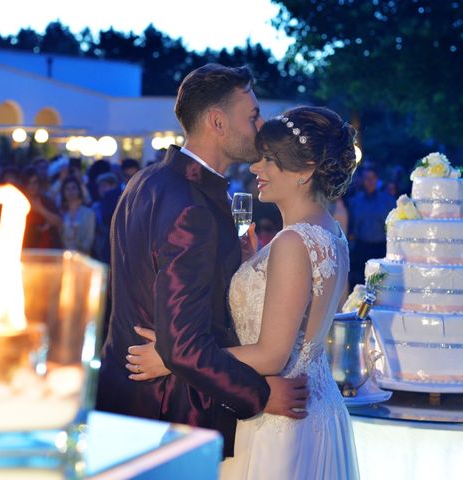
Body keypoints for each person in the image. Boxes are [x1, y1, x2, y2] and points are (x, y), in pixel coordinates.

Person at [127, 106, 360, 479]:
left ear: (305, 170)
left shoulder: (292, 242)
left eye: (269, 160)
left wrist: (174, 359)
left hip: (279, 424)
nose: (256, 168)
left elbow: (270, 355)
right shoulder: (331, 232)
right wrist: (252, 264)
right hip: (316, 409)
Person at [96, 64, 308, 459]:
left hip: (122, 401)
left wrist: (232, 263)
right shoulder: (192, 208)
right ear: (217, 122)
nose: (260, 126)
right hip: (167, 415)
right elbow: (183, 347)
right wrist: (261, 394)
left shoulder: (145, 181)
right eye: (252, 116)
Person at [347, 164, 395, 288]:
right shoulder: (355, 201)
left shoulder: (387, 201)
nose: (369, 181)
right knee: (363, 283)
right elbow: (351, 226)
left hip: (381, 248)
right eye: (366, 178)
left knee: (381, 284)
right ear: (362, 180)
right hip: (362, 248)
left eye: (372, 178)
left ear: (377, 179)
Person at [60, 176, 95, 255]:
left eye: (73, 188)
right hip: (65, 258)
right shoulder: (61, 214)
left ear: (79, 190)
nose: (70, 191)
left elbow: (89, 240)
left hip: (83, 258)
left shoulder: (89, 213)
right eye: (67, 189)